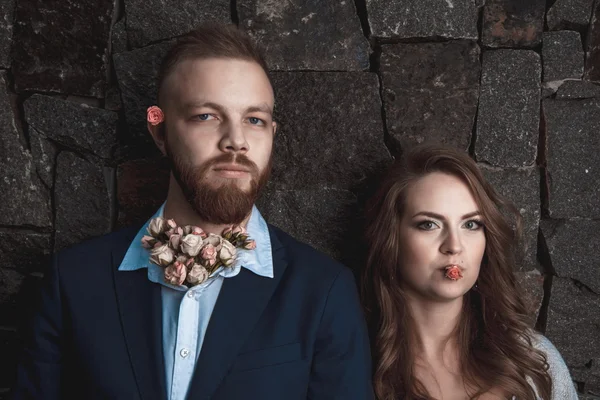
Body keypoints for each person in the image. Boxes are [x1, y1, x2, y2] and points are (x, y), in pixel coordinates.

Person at [13, 24, 372, 400]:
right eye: (206, 116)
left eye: (255, 120)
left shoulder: (323, 290)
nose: (236, 140)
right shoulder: (72, 281)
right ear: (160, 132)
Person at [362, 144, 578, 400]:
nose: (454, 245)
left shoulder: (532, 359)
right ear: (391, 238)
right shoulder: (354, 363)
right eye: (429, 224)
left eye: (471, 224)